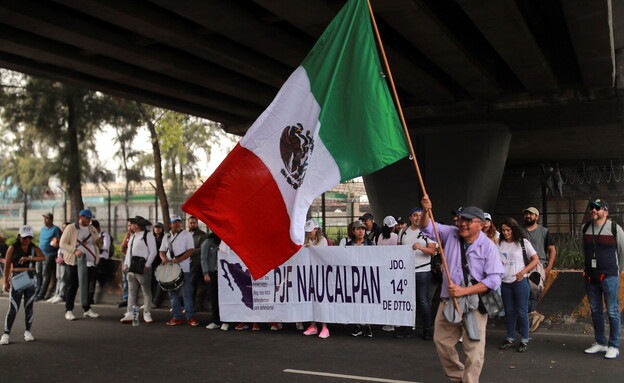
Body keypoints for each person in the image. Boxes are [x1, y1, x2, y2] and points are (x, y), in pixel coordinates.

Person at [420, 196, 503, 383]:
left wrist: (464, 291)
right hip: (448, 301)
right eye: (460, 219)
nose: (462, 223)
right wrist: (426, 211)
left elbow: (495, 279)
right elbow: (426, 227)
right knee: (441, 342)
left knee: (474, 350)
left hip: (474, 305)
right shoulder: (450, 233)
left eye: (467, 220)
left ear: (481, 224)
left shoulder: (488, 246)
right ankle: (457, 376)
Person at [581, 199, 624, 359]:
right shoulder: (585, 228)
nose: (593, 210)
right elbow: (584, 250)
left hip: (610, 276)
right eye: (592, 207)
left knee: (612, 311)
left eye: (598, 208)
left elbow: (622, 252)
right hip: (591, 276)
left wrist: (617, 271)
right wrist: (587, 269)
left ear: (605, 212)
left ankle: (614, 345)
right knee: (596, 311)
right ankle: (600, 342)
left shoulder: (614, 228)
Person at [497, 218, 539, 353]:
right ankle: (510, 338)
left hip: (520, 281)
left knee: (522, 311)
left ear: (513, 229)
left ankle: (524, 340)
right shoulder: (499, 244)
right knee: (509, 312)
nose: (505, 233)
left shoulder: (522, 242)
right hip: (505, 282)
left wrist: (523, 272)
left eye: (508, 230)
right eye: (503, 230)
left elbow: (535, 259)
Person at [1, 225, 45, 345]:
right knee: (13, 307)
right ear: (19, 236)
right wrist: (5, 281)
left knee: (29, 305)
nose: (27, 240)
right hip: (17, 278)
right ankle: (6, 333)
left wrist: (30, 258)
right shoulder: (12, 248)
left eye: (30, 237)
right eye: (25, 237)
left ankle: (28, 331)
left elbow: (43, 257)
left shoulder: (33, 248)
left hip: (31, 278)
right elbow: (7, 265)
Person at [397, 208, 437, 340]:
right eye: (415, 215)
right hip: (406, 271)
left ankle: (427, 328)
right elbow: (397, 251)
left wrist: (420, 247)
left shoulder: (429, 232)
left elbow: (433, 251)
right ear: (410, 217)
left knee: (423, 301)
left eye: (420, 215)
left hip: (422, 270)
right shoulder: (403, 232)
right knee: (406, 301)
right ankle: (407, 327)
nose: (418, 218)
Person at [59, 209, 101, 321]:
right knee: (73, 285)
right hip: (75, 261)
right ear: (81, 217)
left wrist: (99, 243)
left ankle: (86, 309)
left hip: (90, 262)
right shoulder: (71, 228)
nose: (89, 220)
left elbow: (96, 242)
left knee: (86, 286)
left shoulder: (91, 228)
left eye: (90, 218)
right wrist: (74, 251)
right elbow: (62, 243)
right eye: (87, 218)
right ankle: (68, 310)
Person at [159, 214, 199, 326]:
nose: (177, 224)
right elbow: (162, 251)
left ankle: (190, 317)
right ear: (171, 224)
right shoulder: (166, 236)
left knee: (186, 293)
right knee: (173, 294)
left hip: (184, 269)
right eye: (175, 222)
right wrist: (164, 259)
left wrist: (179, 259)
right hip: (170, 269)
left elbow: (190, 250)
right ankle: (176, 317)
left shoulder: (186, 234)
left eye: (179, 222)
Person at [522, 206, 556, 332]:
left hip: (538, 266)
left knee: (533, 292)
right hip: (523, 266)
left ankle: (530, 320)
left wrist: (548, 268)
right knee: (524, 294)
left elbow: (552, 250)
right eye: (526, 214)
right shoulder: (520, 231)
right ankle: (532, 317)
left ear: (537, 217)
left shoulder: (544, 231)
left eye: (531, 214)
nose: (528, 216)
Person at [120, 216, 157, 324]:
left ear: (137, 225)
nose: (130, 225)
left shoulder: (148, 235)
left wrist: (147, 265)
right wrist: (126, 264)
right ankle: (129, 312)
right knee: (132, 291)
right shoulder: (132, 236)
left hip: (142, 267)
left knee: (146, 291)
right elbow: (128, 252)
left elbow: (153, 251)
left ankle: (147, 313)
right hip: (131, 268)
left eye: (132, 223)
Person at [302, 218, 330, 339]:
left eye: (311, 230)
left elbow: (322, 254)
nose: (309, 232)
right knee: (310, 299)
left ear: (316, 229)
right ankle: (313, 325)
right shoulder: (307, 239)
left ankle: (325, 327)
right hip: (309, 273)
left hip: (321, 274)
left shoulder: (323, 240)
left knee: (321, 300)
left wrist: (311, 247)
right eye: (307, 230)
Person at [347, 220, 374, 338]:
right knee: (355, 301)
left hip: (367, 277)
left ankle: (368, 325)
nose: (361, 231)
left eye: (362, 229)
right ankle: (357, 324)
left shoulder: (371, 244)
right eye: (358, 229)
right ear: (353, 231)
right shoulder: (348, 245)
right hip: (353, 278)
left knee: (367, 302)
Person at [201, 232, 228, 330]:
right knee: (214, 297)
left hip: (225, 273)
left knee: (225, 297)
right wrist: (206, 273)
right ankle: (216, 320)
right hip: (213, 273)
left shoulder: (226, 241)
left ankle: (226, 321)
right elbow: (203, 259)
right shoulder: (208, 242)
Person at [36, 213, 62, 300]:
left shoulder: (55, 229)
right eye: (44, 218)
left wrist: (55, 243)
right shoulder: (43, 229)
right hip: (40, 253)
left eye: (47, 218)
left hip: (49, 254)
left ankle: (42, 294)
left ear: (51, 220)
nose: (45, 220)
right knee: (38, 273)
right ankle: (37, 291)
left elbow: (59, 241)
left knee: (45, 274)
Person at [47, 222, 70, 304]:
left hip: (65, 258)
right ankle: (57, 294)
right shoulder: (61, 236)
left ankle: (61, 294)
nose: (64, 229)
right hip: (59, 257)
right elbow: (55, 244)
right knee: (58, 277)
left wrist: (59, 243)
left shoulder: (70, 237)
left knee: (63, 277)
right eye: (63, 228)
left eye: (66, 228)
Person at [188, 216, 208, 306]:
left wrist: (189, 252)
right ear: (188, 224)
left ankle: (191, 305)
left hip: (196, 264)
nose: (192, 224)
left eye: (194, 223)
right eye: (191, 223)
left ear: (197, 223)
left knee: (192, 285)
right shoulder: (185, 234)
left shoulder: (202, 235)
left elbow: (202, 249)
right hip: (185, 263)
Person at [92, 220, 113, 302]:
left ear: (98, 228)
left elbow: (106, 246)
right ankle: (91, 297)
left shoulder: (104, 235)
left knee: (95, 277)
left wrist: (97, 246)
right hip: (94, 258)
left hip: (102, 258)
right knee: (92, 279)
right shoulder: (91, 235)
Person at [117, 219, 132, 308]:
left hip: (135, 260)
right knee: (125, 279)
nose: (129, 228)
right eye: (128, 226)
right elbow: (122, 248)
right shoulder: (128, 235)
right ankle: (126, 299)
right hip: (126, 258)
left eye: (131, 225)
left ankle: (132, 300)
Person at [151, 222, 165, 308]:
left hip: (161, 263)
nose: (157, 229)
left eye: (159, 227)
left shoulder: (164, 239)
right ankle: (151, 300)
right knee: (152, 282)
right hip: (152, 263)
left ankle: (156, 301)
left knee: (160, 283)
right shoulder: (152, 238)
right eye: (156, 227)